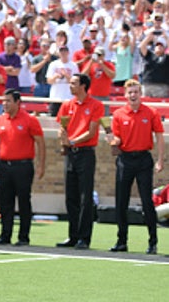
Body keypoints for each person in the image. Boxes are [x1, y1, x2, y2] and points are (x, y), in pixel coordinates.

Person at [0, 89, 46, 246]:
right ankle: (5, 235)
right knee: (5, 202)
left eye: (8, 101)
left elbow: (40, 143)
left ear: (18, 102)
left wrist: (41, 165)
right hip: (5, 167)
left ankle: (23, 237)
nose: (4, 104)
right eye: (3, 100)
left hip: (23, 166)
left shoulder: (30, 120)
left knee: (23, 202)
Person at [108, 80, 165, 255]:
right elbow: (116, 140)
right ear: (125, 95)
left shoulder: (151, 112)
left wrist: (160, 160)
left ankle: (152, 242)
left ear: (140, 94)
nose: (133, 95)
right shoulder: (118, 114)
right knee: (121, 201)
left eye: (136, 92)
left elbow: (160, 137)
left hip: (143, 160)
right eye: (130, 92)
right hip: (125, 160)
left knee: (147, 202)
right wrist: (112, 141)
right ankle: (121, 241)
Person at [56, 73, 104, 250]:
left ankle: (84, 237)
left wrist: (72, 141)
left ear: (84, 85)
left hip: (85, 153)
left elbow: (92, 132)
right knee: (71, 196)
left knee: (85, 196)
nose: (70, 86)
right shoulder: (67, 105)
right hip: (71, 154)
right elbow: (62, 126)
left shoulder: (96, 106)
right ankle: (73, 235)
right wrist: (63, 139)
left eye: (74, 83)